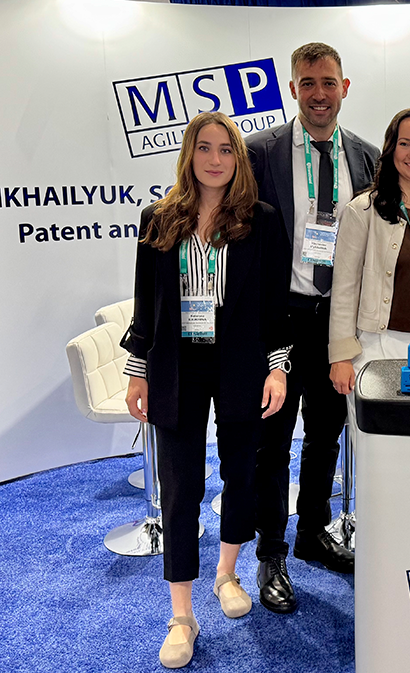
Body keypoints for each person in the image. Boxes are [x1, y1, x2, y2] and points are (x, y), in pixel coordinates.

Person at [121, 111, 291, 668]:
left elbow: (274, 307)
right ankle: (182, 615)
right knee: (180, 486)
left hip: (241, 362)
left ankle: (227, 574)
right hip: (177, 365)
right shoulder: (157, 219)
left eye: (225, 149)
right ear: (188, 155)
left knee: (241, 473)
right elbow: (146, 305)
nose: (215, 159)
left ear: (238, 158)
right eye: (204, 148)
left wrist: (277, 368)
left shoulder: (260, 220)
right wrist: (138, 371)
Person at [244, 42, 379, 613]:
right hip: (279, 319)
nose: (319, 94)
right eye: (307, 83)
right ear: (292, 88)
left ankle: (312, 532)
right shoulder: (259, 152)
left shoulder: (368, 158)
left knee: (326, 434)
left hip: (337, 323)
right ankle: (270, 552)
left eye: (328, 83)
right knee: (272, 442)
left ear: (344, 87)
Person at [329, 108, 410, 396]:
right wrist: (340, 356)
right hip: (376, 348)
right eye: (404, 143)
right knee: (380, 426)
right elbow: (345, 288)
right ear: (390, 148)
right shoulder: (362, 211)